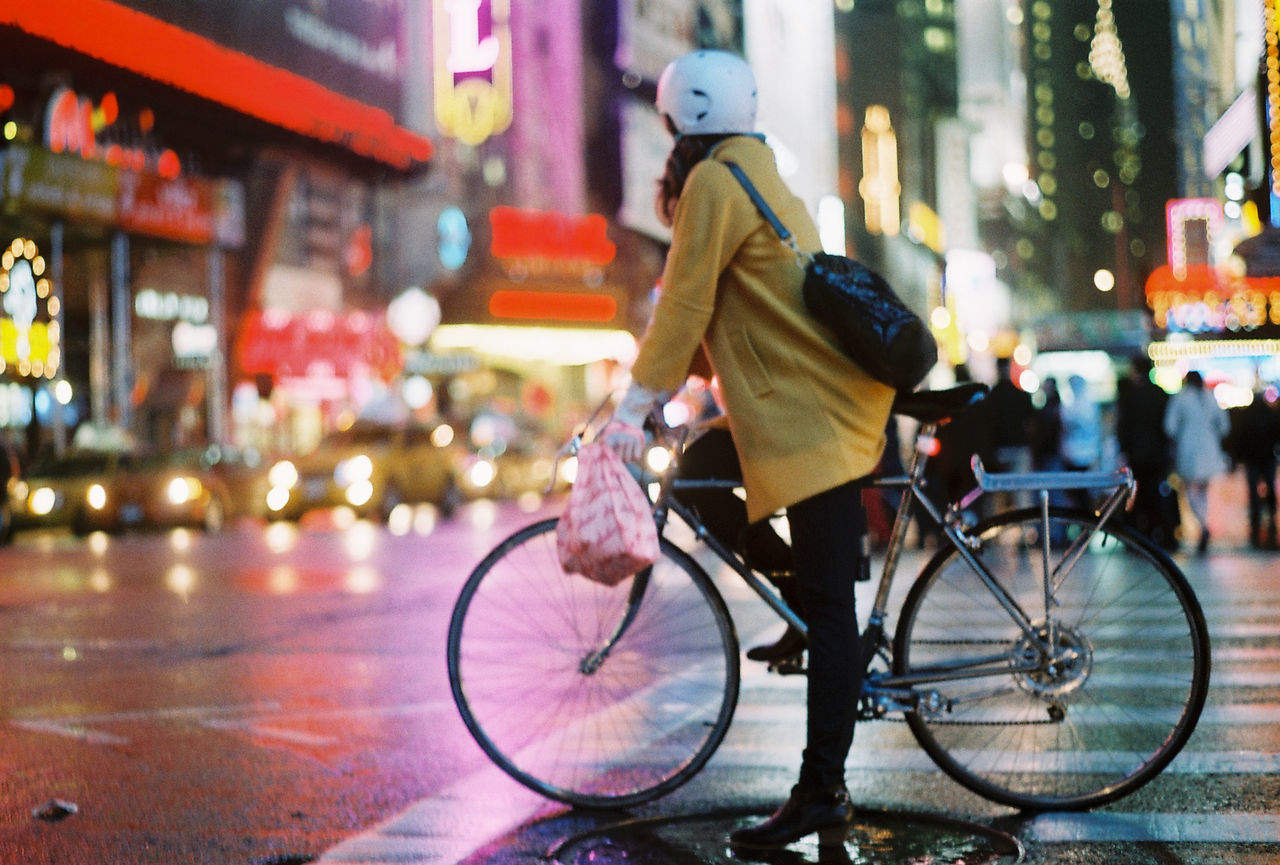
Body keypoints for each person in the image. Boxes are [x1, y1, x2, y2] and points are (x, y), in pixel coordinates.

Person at [601, 50, 895, 849]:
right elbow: (726, 310)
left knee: (836, 614)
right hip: (796, 406)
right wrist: (658, 397)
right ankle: (804, 598)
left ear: (676, 120)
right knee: (698, 472)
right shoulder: (746, 167)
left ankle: (821, 791)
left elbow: (686, 298)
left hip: (817, 416)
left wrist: (635, 405)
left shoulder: (716, 182)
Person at [1115, 355, 1178, 550]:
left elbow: (1124, 426)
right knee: (1157, 492)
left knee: (1138, 493)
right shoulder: (1161, 394)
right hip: (1157, 453)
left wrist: (1124, 449)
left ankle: (1138, 535)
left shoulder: (1130, 395)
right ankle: (1160, 531)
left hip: (1137, 453)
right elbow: (1167, 427)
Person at [1163, 371, 1229, 554]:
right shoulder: (1210, 398)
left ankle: (1203, 526)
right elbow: (1224, 426)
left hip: (1188, 450)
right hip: (1209, 450)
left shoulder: (1181, 399)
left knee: (1190, 492)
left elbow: (1169, 427)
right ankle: (1204, 525)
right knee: (1203, 492)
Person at [1227, 389, 1280, 550]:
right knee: (1269, 486)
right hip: (1266, 457)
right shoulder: (1269, 414)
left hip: (1252, 459)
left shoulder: (1246, 416)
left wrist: (1237, 458)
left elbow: (1238, 437)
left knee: (1254, 489)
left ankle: (1256, 518)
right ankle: (1269, 514)